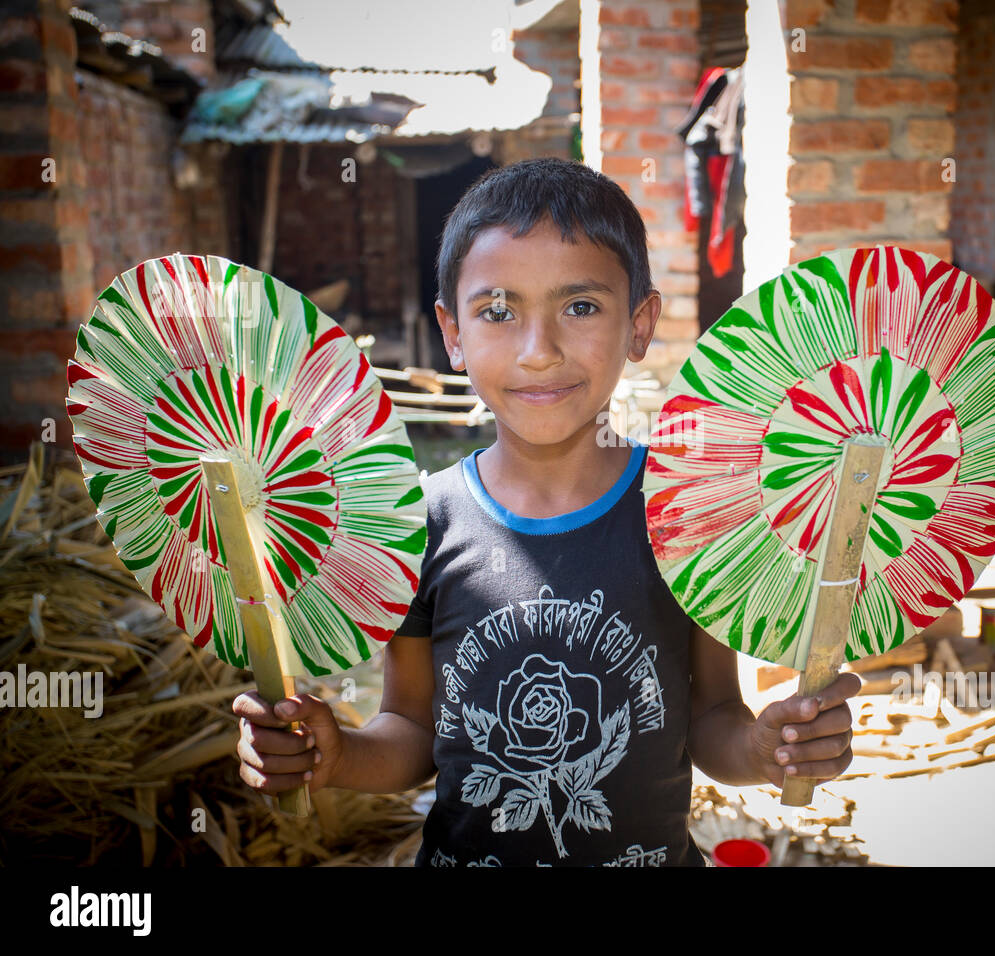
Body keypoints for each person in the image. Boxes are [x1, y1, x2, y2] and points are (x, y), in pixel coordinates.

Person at [231, 158, 859, 867]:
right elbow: (411, 730)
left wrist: (768, 746)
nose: (540, 352)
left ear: (640, 324)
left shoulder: (686, 512)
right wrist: (337, 753)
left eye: (581, 307)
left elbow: (714, 719)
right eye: (498, 312)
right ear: (453, 333)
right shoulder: (422, 523)